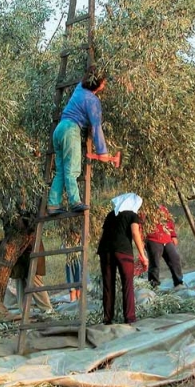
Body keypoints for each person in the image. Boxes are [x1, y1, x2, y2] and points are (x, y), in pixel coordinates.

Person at [47, 65, 111, 215]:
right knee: (72, 168)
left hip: (59, 130)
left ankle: (53, 204)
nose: (105, 84)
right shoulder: (93, 101)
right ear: (99, 84)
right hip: (70, 131)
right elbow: (96, 127)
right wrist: (102, 151)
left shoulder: (79, 88)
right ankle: (75, 201)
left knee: (61, 170)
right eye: (104, 81)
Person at [96, 193, 148, 325]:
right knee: (127, 284)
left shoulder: (110, 215)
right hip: (123, 251)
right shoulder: (132, 215)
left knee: (108, 285)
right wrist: (143, 255)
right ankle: (129, 318)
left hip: (105, 251)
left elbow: (103, 235)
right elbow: (135, 233)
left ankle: (107, 319)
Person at [0, 239, 53, 313]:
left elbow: (20, 237)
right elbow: (13, 236)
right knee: (20, 286)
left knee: (35, 284)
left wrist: (1, 244)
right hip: (21, 258)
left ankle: (47, 309)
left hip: (30, 256)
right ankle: (24, 312)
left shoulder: (30, 228)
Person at [145, 205, 184, 289]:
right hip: (153, 239)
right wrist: (142, 240)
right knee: (155, 264)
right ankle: (154, 286)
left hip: (167, 238)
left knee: (175, 259)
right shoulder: (144, 210)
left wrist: (173, 235)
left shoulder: (163, 208)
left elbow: (169, 221)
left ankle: (179, 282)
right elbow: (140, 226)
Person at [62, 229, 82, 302]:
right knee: (70, 281)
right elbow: (63, 249)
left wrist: (77, 240)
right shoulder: (66, 242)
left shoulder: (80, 242)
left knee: (79, 279)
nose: (74, 237)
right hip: (69, 263)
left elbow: (80, 250)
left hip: (78, 262)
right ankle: (72, 300)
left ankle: (79, 299)